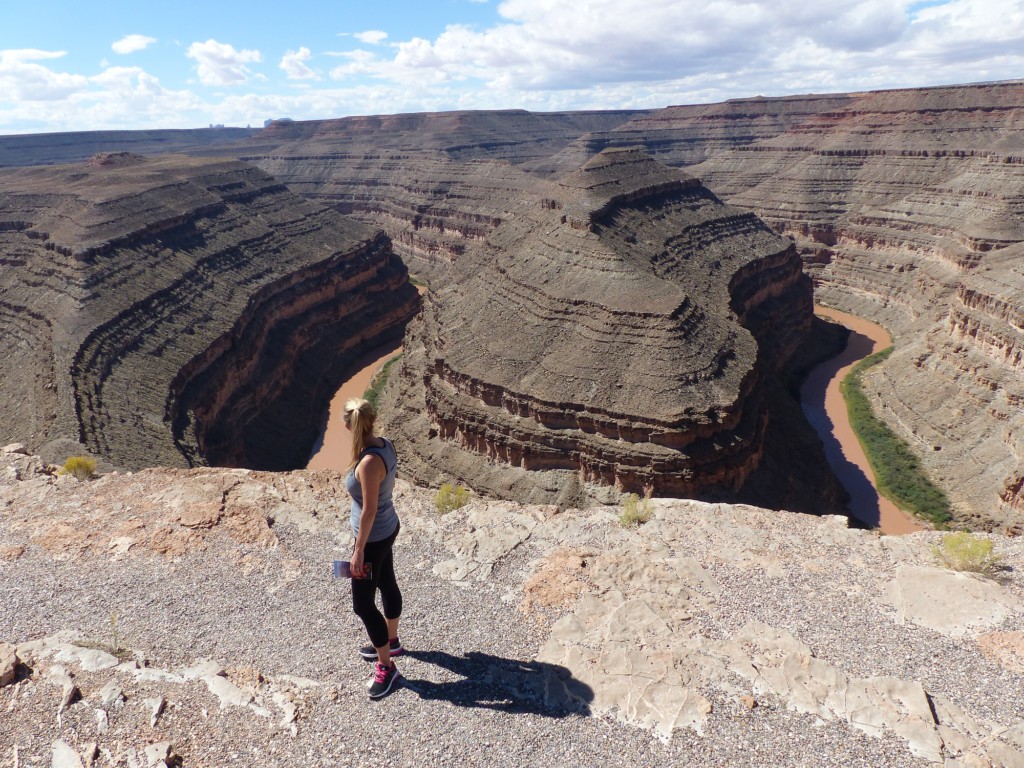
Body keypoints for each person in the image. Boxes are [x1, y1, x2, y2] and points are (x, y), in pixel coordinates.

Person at [343, 397, 403, 698]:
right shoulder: (386, 444)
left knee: (363, 605)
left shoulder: (367, 463)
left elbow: (367, 511)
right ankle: (391, 641)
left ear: (347, 425)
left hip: (374, 538)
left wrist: (358, 550)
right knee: (388, 582)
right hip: (390, 526)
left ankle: (387, 668)